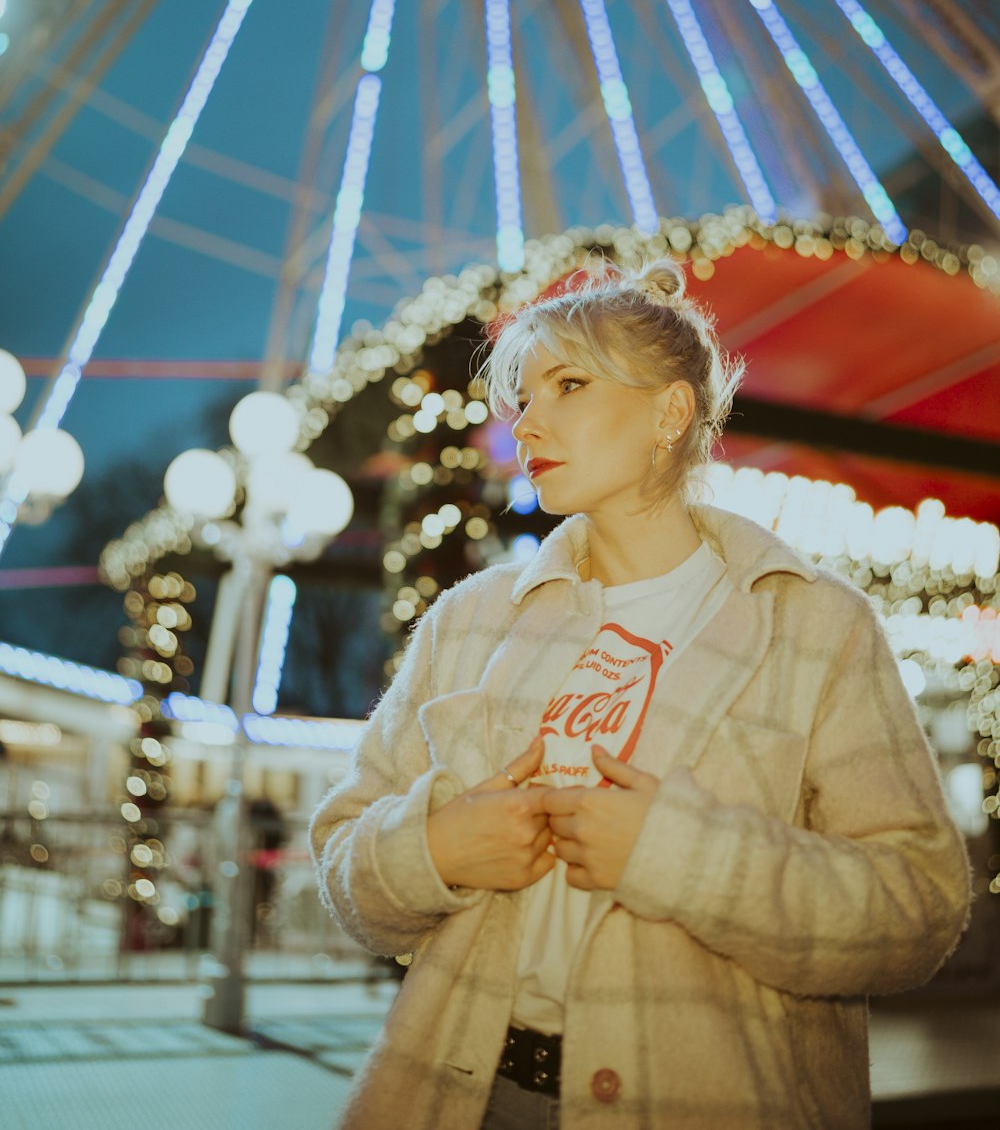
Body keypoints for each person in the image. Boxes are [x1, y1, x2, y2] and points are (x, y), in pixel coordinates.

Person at [309, 257, 970, 1130]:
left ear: (670, 411)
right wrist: (433, 849)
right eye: (524, 396)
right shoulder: (471, 621)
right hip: (462, 1096)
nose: (526, 422)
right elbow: (340, 863)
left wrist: (680, 855)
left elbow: (917, 908)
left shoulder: (814, 625)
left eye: (569, 385)